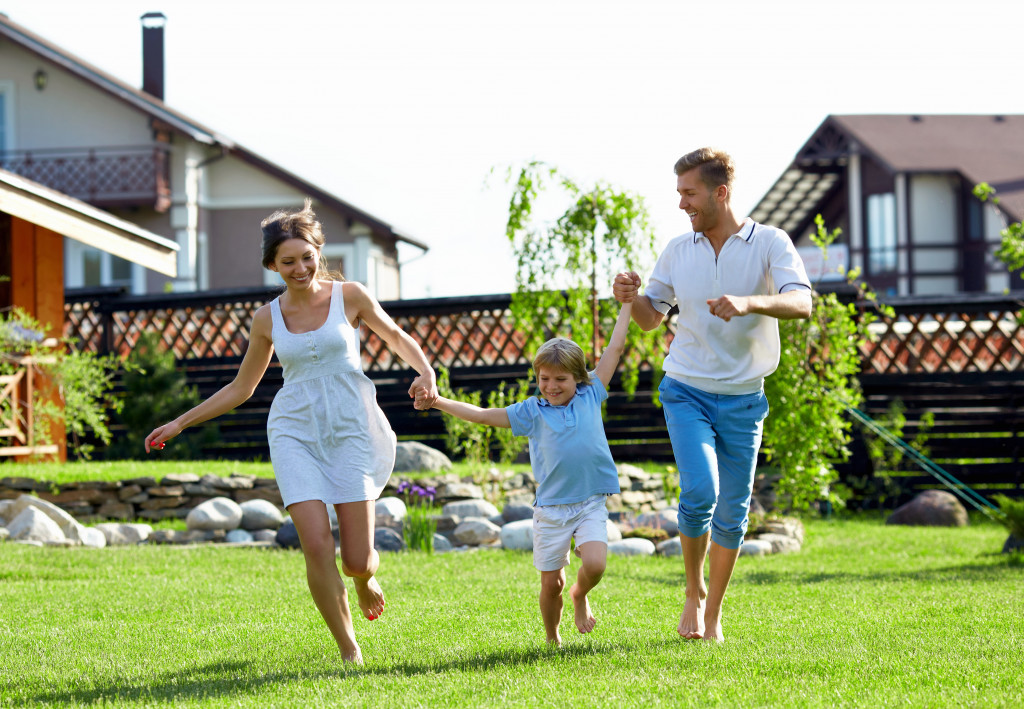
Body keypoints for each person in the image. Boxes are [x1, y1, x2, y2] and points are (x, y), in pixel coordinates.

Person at [144, 199, 438, 664]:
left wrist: (425, 371)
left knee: (356, 558)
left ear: (319, 252)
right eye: (288, 261)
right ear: (272, 265)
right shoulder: (267, 319)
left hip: (351, 429)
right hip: (295, 432)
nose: (300, 268)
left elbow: (398, 337)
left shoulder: (351, 296)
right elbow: (242, 387)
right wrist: (181, 421)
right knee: (316, 545)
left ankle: (364, 579)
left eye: (307, 257)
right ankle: (348, 650)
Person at [613, 147, 812, 642]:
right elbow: (649, 317)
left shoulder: (770, 243)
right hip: (686, 389)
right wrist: (630, 297)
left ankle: (714, 613)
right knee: (700, 489)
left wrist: (748, 302)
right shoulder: (680, 250)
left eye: (689, 193)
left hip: (745, 397)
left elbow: (802, 301)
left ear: (720, 192)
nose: (682, 204)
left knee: (733, 508)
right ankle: (692, 591)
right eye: (679, 194)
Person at [414, 301, 633, 646]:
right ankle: (552, 638)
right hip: (551, 510)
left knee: (595, 564)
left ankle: (580, 594)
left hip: (590, 502)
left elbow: (616, 348)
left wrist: (627, 305)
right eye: (544, 379)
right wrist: (438, 401)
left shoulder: (591, 395)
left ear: (578, 377)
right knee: (551, 584)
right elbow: (484, 415)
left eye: (560, 379)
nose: (551, 386)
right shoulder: (531, 411)